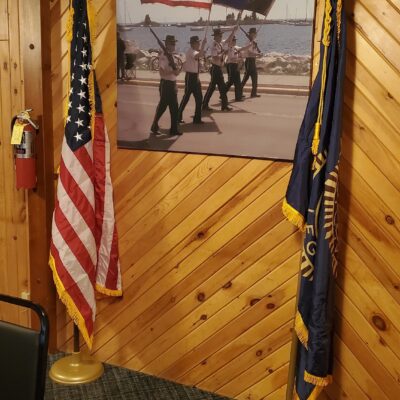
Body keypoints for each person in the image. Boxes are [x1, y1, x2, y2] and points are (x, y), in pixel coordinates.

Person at [151, 35, 181, 136]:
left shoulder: (172, 56)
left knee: (174, 108)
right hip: (166, 84)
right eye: (172, 43)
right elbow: (162, 73)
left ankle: (173, 129)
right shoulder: (164, 56)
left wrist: (176, 76)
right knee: (162, 107)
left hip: (172, 84)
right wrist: (173, 71)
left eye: (174, 43)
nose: (174, 45)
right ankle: (154, 125)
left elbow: (175, 73)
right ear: (167, 44)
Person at [202, 27, 237, 112]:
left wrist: (233, 31)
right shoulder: (214, 45)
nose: (221, 37)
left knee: (220, 87)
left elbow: (229, 39)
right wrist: (223, 53)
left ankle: (223, 106)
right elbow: (215, 57)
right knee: (213, 88)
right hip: (215, 69)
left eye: (221, 36)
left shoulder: (220, 43)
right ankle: (206, 105)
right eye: (219, 36)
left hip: (218, 68)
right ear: (215, 37)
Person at [178, 35, 207, 124]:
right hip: (190, 77)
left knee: (199, 98)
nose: (199, 44)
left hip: (195, 77)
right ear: (193, 44)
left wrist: (202, 48)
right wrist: (203, 45)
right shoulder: (191, 52)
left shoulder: (194, 51)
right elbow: (199, 55)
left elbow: (200, 55)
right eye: (198, 42)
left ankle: (197, 118)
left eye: (199, 42)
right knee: (186, 97)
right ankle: (178, 116)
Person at [225, 36, 254, 102]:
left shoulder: (235, 47)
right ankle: (223, 93)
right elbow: (231, 58)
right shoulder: (230, 49)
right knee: (230, 82)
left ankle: (238, 97)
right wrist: (239, 59)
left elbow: (243, 48)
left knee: (237, 82)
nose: (234, 41)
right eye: (233, 40)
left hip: (235, 65)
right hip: (231, 65)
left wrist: (250, 44)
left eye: (235, 40)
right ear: (230, 41)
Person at [241, 27, 261, 98]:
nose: (255, 34)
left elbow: (254, 51)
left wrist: (258, 54)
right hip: (249, 61)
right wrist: (257, 54)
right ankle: (239, 92)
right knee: (245, 78)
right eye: (254, 33)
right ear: (251, 34)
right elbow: (249, 53)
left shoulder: (254, 41)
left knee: (255, 77)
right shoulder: (248, 42)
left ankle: (253, 93)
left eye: (255, 33)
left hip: (253, 61)